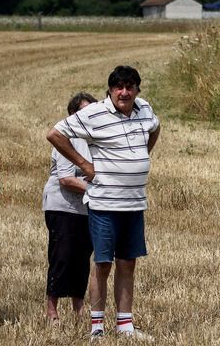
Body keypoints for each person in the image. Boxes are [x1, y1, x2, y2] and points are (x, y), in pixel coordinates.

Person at [47, 66, 160, 340]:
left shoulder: (144, 109)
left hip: (134, 203)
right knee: (103, 264)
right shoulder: (95, 113)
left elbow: (155, 127)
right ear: (110, 90)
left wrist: (142, 155)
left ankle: (125, 325)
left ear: (137, 89)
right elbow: (55, 134)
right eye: (118, 86)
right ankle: (96, 326)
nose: (124, 92)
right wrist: (84, 164)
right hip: (104, 203)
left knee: (128, 263)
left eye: (130, 86)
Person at [43, 92, 98, 322]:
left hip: (85, 209)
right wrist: (99, 189)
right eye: (84, 111)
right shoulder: (66, 138)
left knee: (82, 259)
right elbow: (66, 179)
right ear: (73, 114)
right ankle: (52, 310)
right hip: (62, 207)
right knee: (61, 258)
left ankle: (78, 308)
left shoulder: (93, 140)